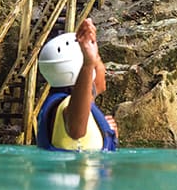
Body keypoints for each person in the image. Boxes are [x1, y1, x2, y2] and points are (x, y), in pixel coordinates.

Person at [36, 18, 118, 151]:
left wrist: (105, 133)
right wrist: (88, 64)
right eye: (99, 60)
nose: (103, 68)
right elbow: (76, 131)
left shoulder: (56, 104)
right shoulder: (66, 106)